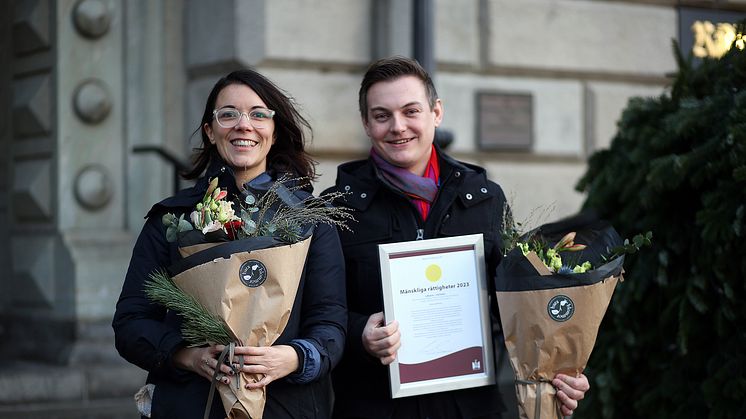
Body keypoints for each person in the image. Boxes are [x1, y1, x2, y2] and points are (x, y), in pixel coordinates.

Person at [325, 56, 590, 419]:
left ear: (436, 113)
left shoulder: (484, 198)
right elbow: (320, 312)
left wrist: (559, 369)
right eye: (382, 115)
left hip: (469, 408)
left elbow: (514, 309)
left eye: (411, 111)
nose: (398, 126)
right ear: (367, 124)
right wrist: (360, 333)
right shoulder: (337, 207)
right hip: (372, 406)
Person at [113, 69, 347, 419]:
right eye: (228, 114)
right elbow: (130, 322)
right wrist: (188, 357)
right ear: (210, 131)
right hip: (193, 405)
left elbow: (330, 323)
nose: (243, 125)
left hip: (286, 406)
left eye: (257, 114)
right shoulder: (171, 221)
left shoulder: (311, 221)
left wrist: (293, 358)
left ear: (274, 129)